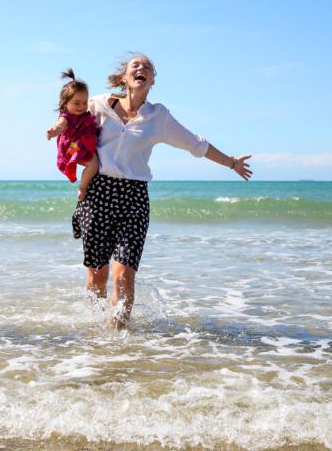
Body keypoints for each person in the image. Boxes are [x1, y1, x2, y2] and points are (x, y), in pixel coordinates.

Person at [72, 54, 252, 328]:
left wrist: (231, 163)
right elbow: (69, 118)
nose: (141, 68)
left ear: (152, 80)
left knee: (123, 276)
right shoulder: (97, 104)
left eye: (148, 67)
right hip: (98, 194)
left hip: (134, 199)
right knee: (97, 275)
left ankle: (118, 341)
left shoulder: (159, 117)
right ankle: (94, 334)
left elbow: (196, 144)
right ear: (124, 77)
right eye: (136, 65)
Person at [47, 69, 99, 200]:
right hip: (72, 146)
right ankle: (82, 187)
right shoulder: (66, 117)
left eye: (85, 102)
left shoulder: (85, 115)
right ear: (65, 103)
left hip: (81, 143)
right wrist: (54, 131)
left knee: (97, 161)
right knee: (93, 164)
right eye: (76, 103)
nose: (81, 106)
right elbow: (60, 125)